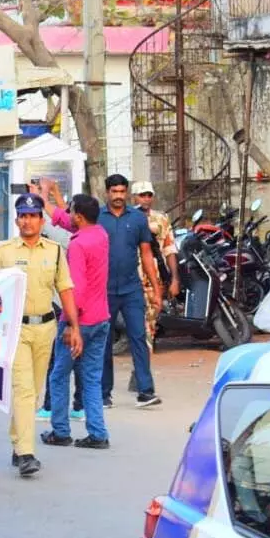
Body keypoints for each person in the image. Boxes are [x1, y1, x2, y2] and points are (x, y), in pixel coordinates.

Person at [42, 175, 162, 408]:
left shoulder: (137, 219)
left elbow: (146, 254)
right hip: (103, 292)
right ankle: (104, 394)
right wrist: (47, 195)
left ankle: (145, 391)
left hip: (131, 289)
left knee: (139, 337)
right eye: (114, 191)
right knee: (104, 342)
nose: (118, 196)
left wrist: (156, 288)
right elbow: (65, 219)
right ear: (107, 192)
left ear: (127, 193)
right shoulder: (97, 220)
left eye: (122, 191)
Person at [0, 193, 80, 478]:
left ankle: (18, 442)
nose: (27, 221)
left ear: (42, 220)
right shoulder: (3, 251)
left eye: (32, 216)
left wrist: (73, 326)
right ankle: (27, 453)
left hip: (46, 328)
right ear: (16, 220)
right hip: (15, 329)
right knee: (24, 389)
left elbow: (65, 288)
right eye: (22, 216)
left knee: (35, 390)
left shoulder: (54, 251)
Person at [42, 194, 111, 449]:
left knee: (59, 375)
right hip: (101, 317)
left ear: (79, 216)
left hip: (79, 319)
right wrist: (46, 196)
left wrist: (73, 326)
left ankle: (60, 430)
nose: (68, 215)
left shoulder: (78, 245)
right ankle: (98, 433)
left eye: (72, 212)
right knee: (91, 378)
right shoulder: (101, 234)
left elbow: (76, 289)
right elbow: (67, 221)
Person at [132, 181, 179, 360]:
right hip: (132, 276)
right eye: (142, 195)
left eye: (149, 195)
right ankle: (142, 361)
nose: (146, 199)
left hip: (154, 278)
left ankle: (144, 360)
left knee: (151, 318)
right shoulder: (127, 218)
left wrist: (174, 278)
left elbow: (169, 249)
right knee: (136, 320)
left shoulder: (161, 219)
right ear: (134, 197)